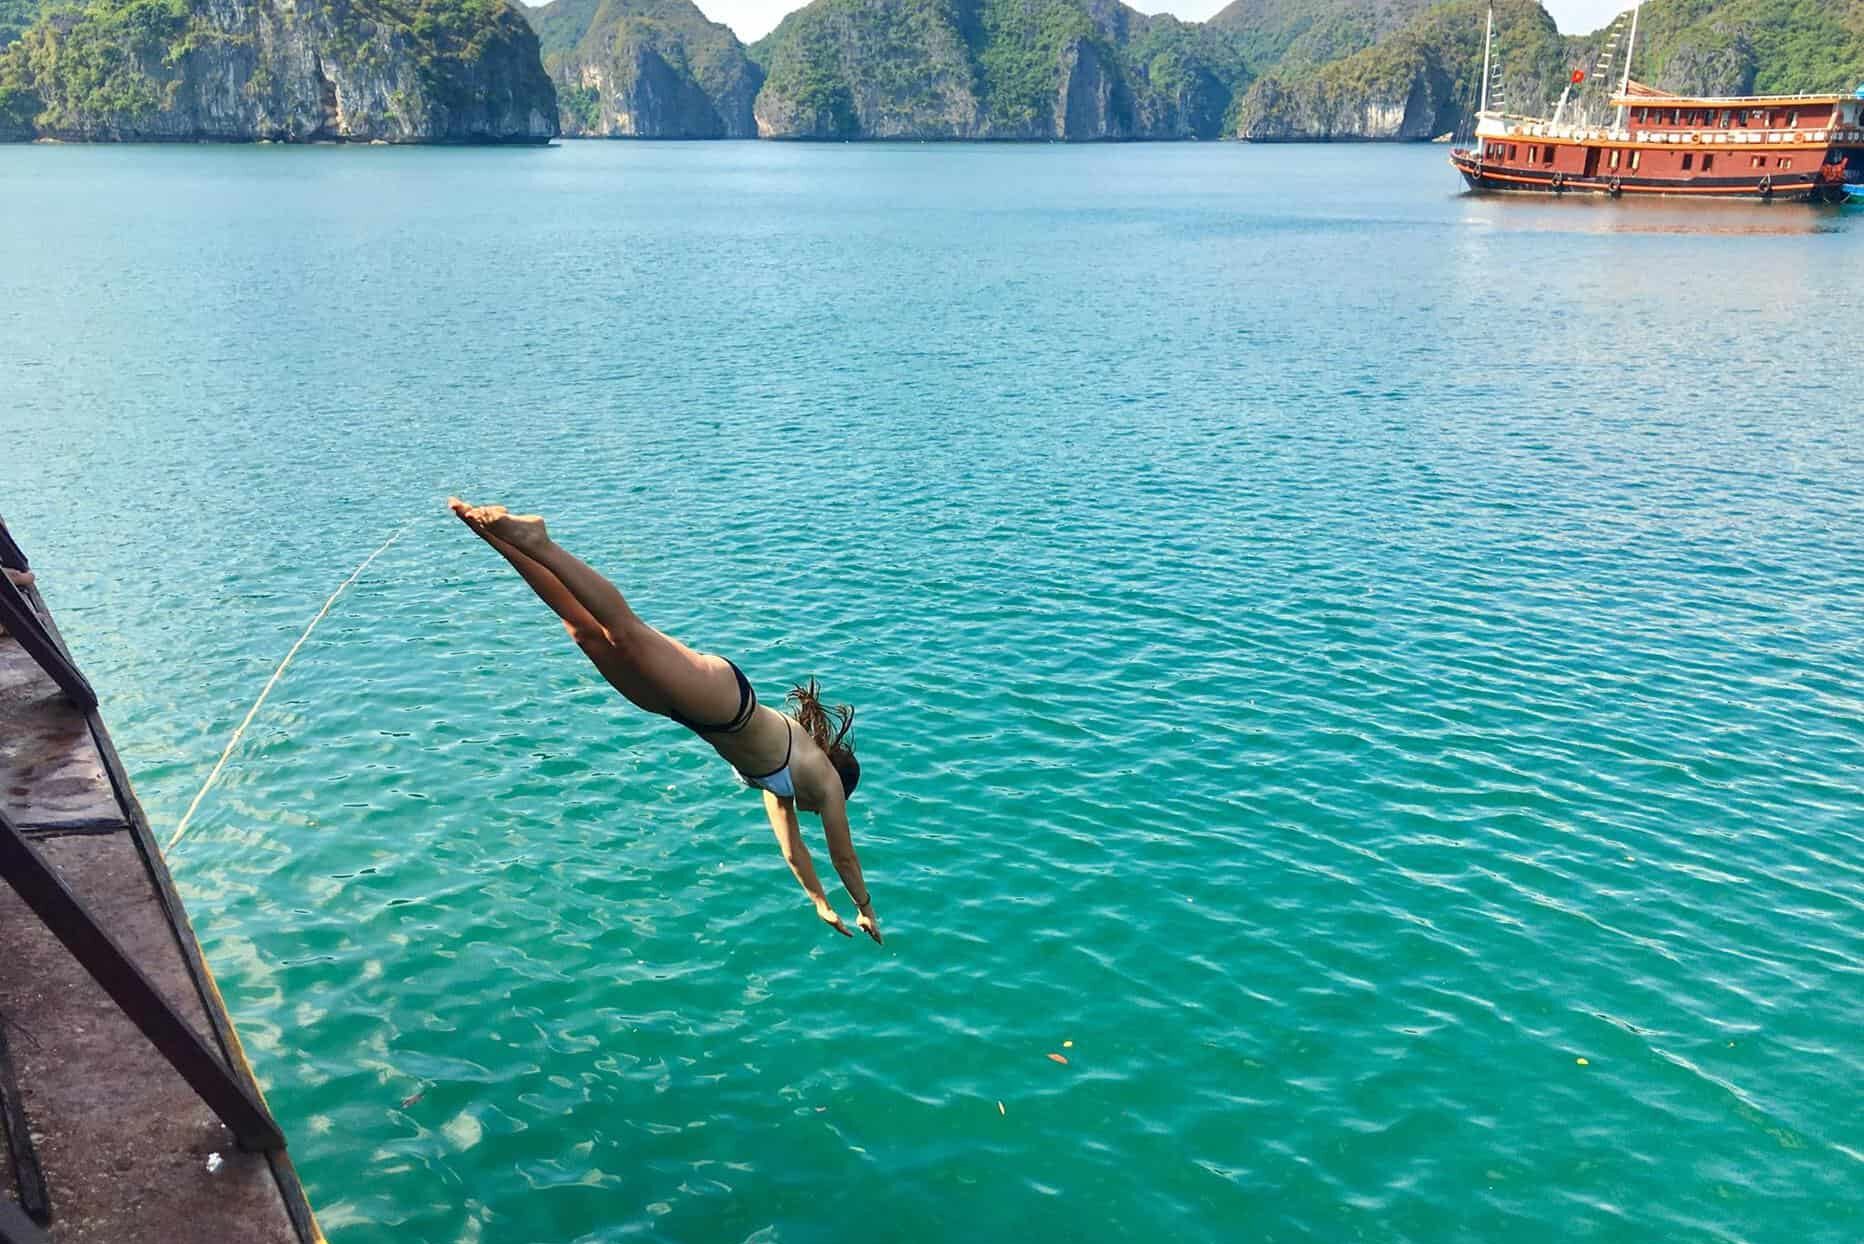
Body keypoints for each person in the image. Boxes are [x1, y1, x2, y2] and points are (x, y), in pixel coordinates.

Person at [449, 499, 881, 944]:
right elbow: (843, 857)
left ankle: (500, 539)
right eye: (820, 811)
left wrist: (819, 902)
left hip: (683, 713)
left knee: (583, 631)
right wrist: (865, 908)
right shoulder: (825, 782)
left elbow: (793, 851)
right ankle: (540, 542)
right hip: (727, 703)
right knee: (625, 633)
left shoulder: (780, 789)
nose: (813, 813)